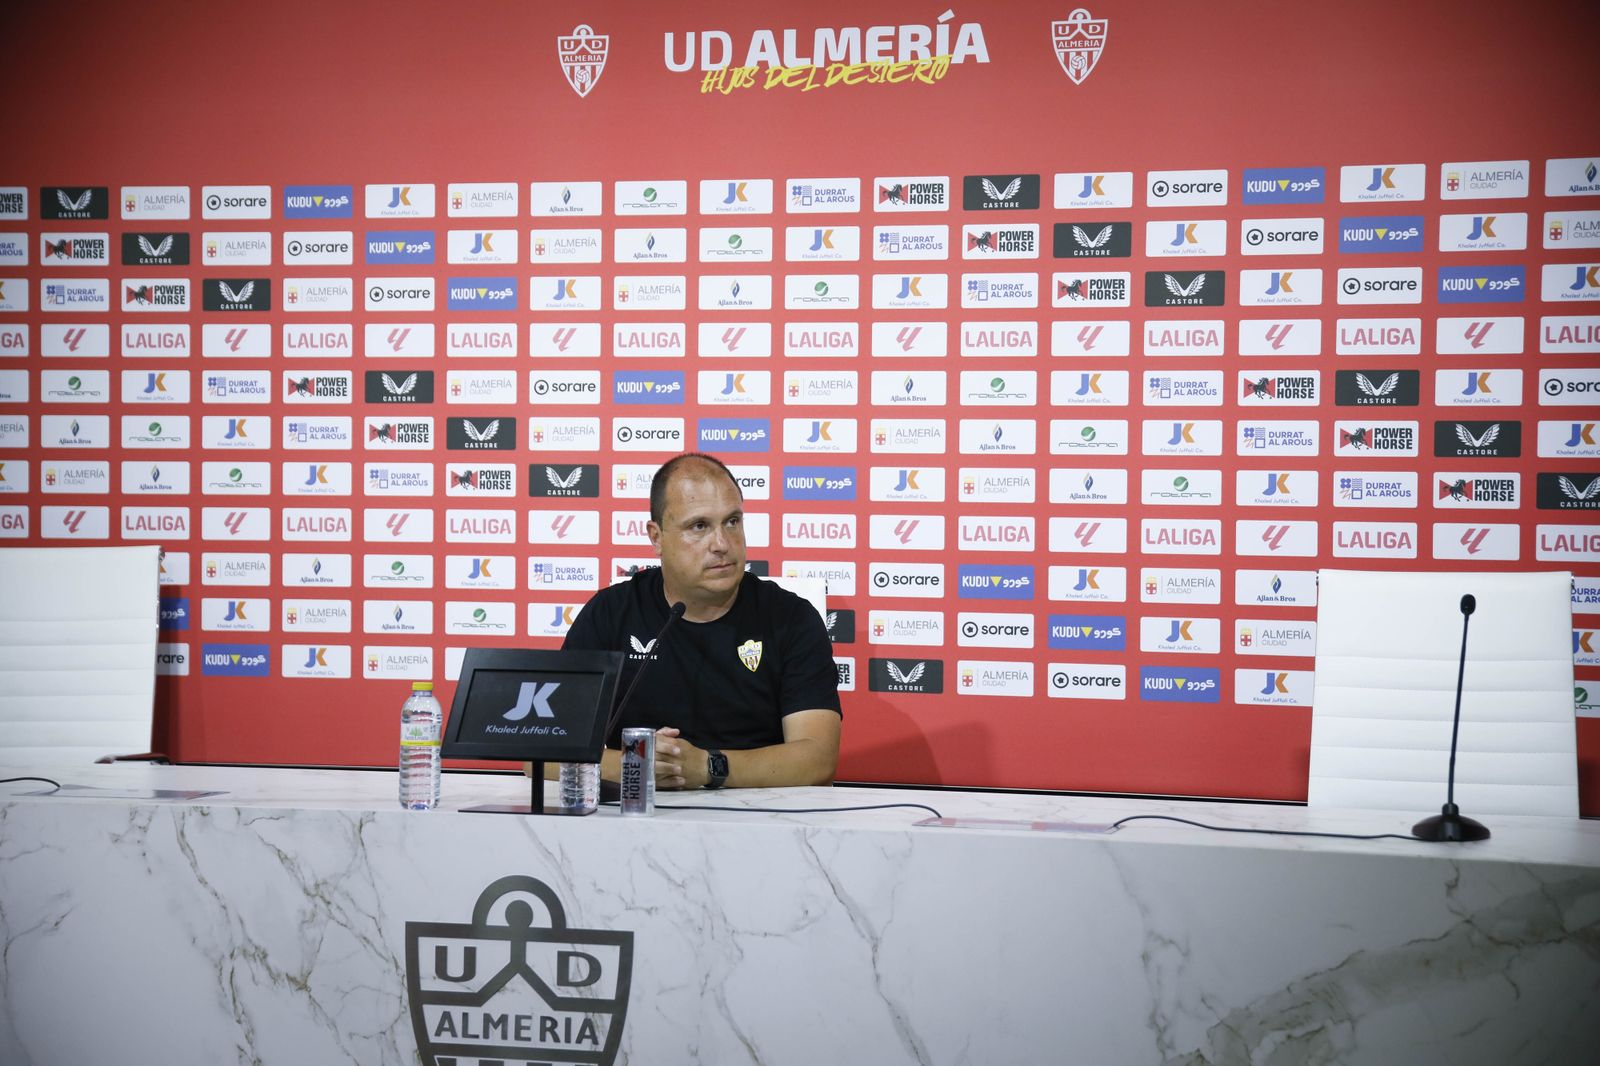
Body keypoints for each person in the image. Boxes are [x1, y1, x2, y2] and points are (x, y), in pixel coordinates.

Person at [560, 452, 842, 789]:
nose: (722, 544)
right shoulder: (609, 614)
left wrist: (710, 767)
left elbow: (818, 759)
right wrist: (640, 765)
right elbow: (542, 757)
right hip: (639, 822)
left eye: (732, 521)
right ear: (656, 537)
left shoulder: (791, 619)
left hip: (763, 822)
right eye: (699, 526)